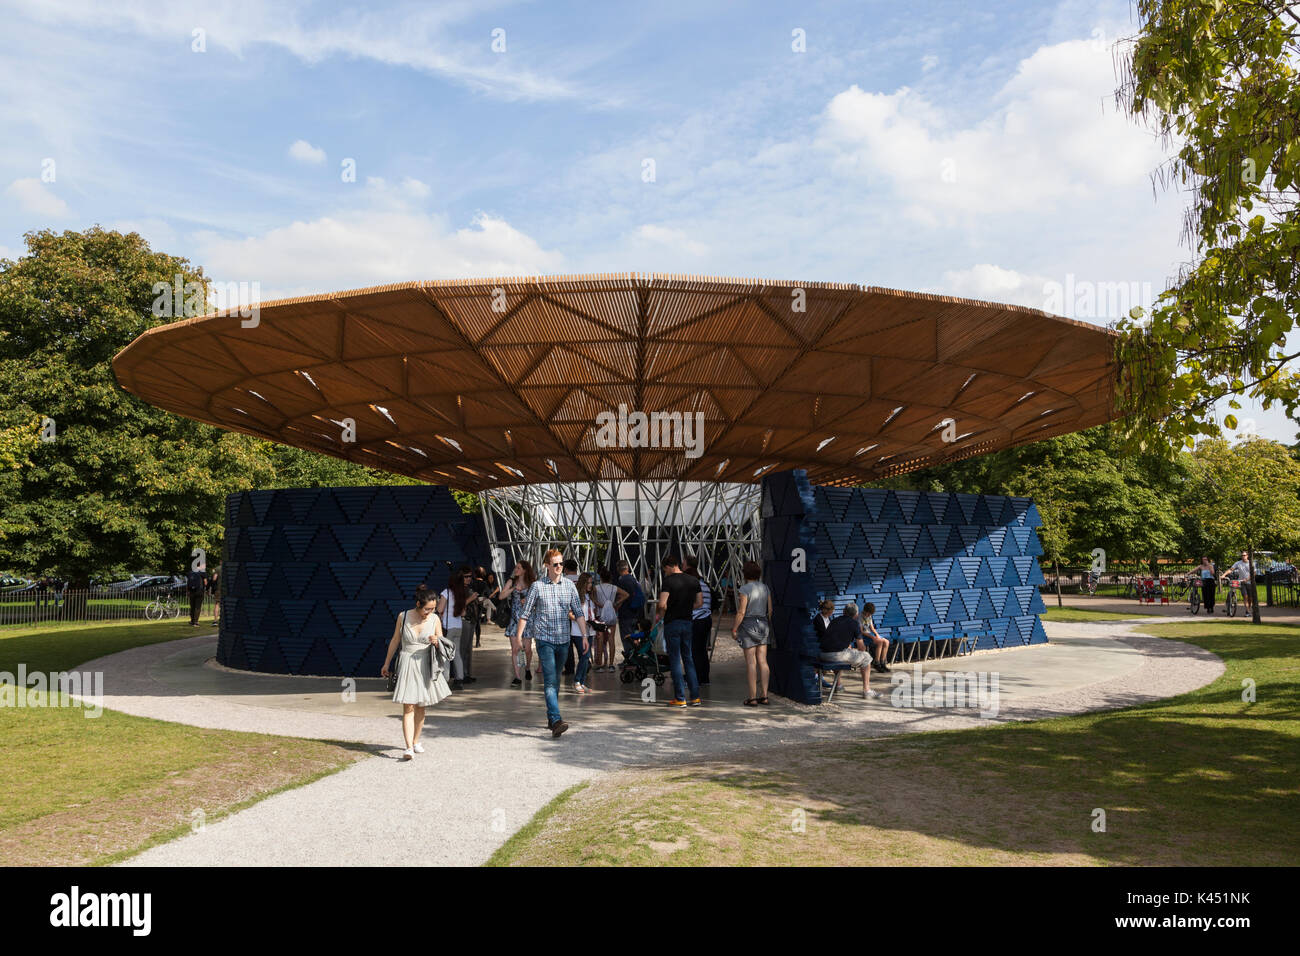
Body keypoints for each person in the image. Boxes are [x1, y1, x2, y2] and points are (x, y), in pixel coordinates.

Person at [517, 549, 588, 737]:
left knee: (556, 681)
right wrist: (518, 637)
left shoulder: (569, 586)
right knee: (549, 681)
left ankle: (551, 718)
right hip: (544, 640)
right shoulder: (537, 586)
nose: (559, 567)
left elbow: (578, 613)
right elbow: (525, 613)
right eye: (555, 564)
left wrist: (584, 636)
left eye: (561, 564)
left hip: (563, 640)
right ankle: (556, 719)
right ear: (546, 565)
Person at [381, 584, 453, 760]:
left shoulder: (435, 619)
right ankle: (408, 748)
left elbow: (442, 641)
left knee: (421, 706)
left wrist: (436, 641)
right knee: (408, 705)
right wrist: (386, 663)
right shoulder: (403, 616)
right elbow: (395, 640)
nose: (430, 612)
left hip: (425, 664)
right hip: (406, 662)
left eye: (433, 609)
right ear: (418, 604)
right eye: (427, 609)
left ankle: (415, 741)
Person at [657, 554, 702, 707]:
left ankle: (680, 697)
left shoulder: (668, 581)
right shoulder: (693, 580)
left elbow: (662, 604)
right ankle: (695, 697)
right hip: (688, 622)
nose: (665, 572)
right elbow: (700, 602)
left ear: (669, 566)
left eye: (665, 570)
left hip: (673, 623)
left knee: (675, 660)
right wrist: (687, 608)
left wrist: (663, 615)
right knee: (688, 658)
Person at [819, 603, 880, 700]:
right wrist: (857, 650)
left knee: (843, 654)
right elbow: (861, 648)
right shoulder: (854, 624)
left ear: (844, 611)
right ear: (856, 614)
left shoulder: (834, 620)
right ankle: (867, 690)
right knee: (866, 657)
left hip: (822, 654)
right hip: (835, 655)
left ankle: (838, 686)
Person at [732, 560, 772, 705]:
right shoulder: (765, 588)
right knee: (763, 661)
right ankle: (765, 695)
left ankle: (752, 697)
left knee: (751, 662)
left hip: (748, 624)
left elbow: (741, 611)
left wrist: (735, 628)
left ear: (745, 574)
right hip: (763, 624)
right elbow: (770, 610)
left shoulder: (744, 589)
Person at [437, 566, 481, 689]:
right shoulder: (460, 593)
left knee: (445, 654)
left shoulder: (446, 592)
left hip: (448, 627)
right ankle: (459, 680)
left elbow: (440, 609)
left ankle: (445, 680)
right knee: (456, 654)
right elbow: (463, 613)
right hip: (458, 626)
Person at [499, 560, 537, 686]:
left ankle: (527, 668)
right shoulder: (511, 582)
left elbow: (537, 600)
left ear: (525, 570)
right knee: (515, 649)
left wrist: (528, 600)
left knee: (527, 649)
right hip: (515, 619)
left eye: (519, 568)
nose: (516, 570)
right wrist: (512, 589)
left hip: (527, 619)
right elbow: (501, 596)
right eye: (516, 567)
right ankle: (517, 676)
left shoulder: (532, 584)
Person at [683, 555, 713, 685]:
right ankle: (704, 678)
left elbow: (693, 603)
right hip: (706, 619)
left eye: (683, 563)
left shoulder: (691, 584)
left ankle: (694, 677)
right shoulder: (704, 584)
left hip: (696, 619)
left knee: (693, 650)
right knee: (702, 650)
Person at [591, 569, 625, 672]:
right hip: (611, 615)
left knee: (600, 639)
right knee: (611, 639)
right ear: (610, 578)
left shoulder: (596, 588)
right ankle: (611, 665)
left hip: (600, 616)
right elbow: (626, 594)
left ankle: (600, 665)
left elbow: (591, 598)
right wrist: (616, 603)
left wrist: (599, 604)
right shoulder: (614, 588)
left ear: (600, 578)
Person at [614, 560, 645, 660]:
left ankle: (630, 660)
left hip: (626, 614)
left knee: (627, 638)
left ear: (618, 569)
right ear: (627, 568)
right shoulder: (634, 580)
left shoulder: (622, 581)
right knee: (634, 638)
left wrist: (616, 606)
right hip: (636, 614)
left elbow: (620, 598)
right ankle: (635, 658)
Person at [571, 572, 595, 693]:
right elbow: (570, 613)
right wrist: (580, 621)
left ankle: (582, 681)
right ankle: (577, 681)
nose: (590, 585)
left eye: (591, 582)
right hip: (578, 631)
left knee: (585, 658)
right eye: (589, 582)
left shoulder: (589, 597)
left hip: (590, 631)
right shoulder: (577, 597)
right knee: (585, 656)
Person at [860, 602, 891, 672]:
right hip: (863, 636)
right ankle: (876, 662)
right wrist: (872, 637)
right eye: (868, 614)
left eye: (870, 614)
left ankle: (883, 662)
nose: (869, 615)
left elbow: (872, 628)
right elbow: (861, 631)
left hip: (870, 634)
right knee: (879, 642)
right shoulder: (860, 617)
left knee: (886, 642)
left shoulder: (869, 616)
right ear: (865, 611)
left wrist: (876, 634)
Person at [562, 558, 581, 675]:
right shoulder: (582, 580)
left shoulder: (563, 581)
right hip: (580, 613)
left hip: (567, 614)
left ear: (565, 569)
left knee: (567, 643)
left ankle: (569, 668)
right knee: (581, 638)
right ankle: (585, 662)